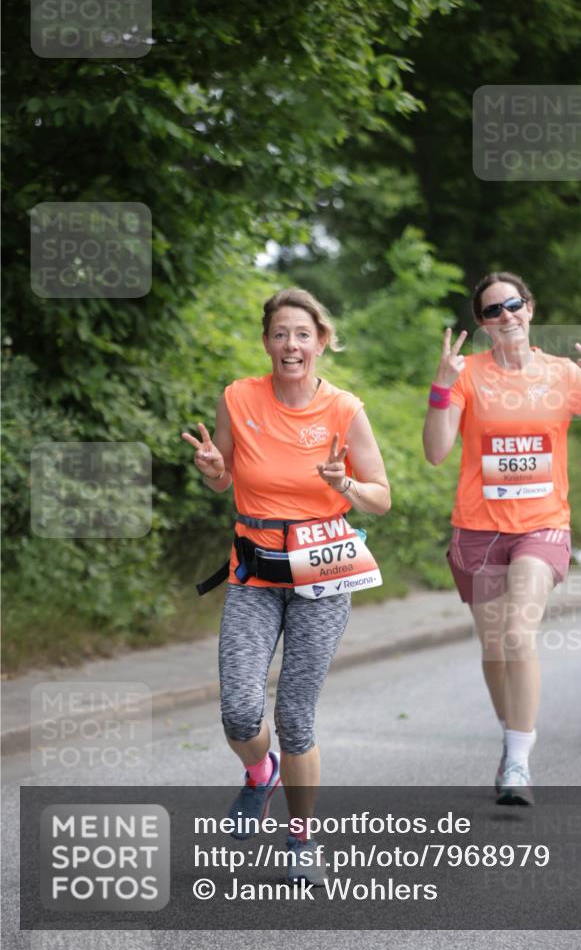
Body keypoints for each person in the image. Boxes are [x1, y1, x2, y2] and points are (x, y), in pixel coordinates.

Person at [182, 287, 390, 882]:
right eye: (279, 333)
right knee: (240, 711)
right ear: (267, 341)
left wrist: (345, 483)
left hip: (322, 574)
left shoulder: (345, 409)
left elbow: (382, 496)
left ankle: (302, 839)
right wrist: (214, 471)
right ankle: (259, 772)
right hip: (254, 570)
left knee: (296, 716)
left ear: (321, 341)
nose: (290, 345)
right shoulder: (239, 397)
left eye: (302, 334)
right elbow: (223, 479)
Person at [423, 271, 581, 805]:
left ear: (530, 308)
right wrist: (441, 388)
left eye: (513, 304)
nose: (506, 315)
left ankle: (518, 761)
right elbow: (437, 451)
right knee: (494, 650)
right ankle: (511, 734)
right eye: (493, 310)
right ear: (483, 324)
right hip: (477, 529)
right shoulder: (469, 375)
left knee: (518, 633)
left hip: (542, 525)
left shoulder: (562, 375)